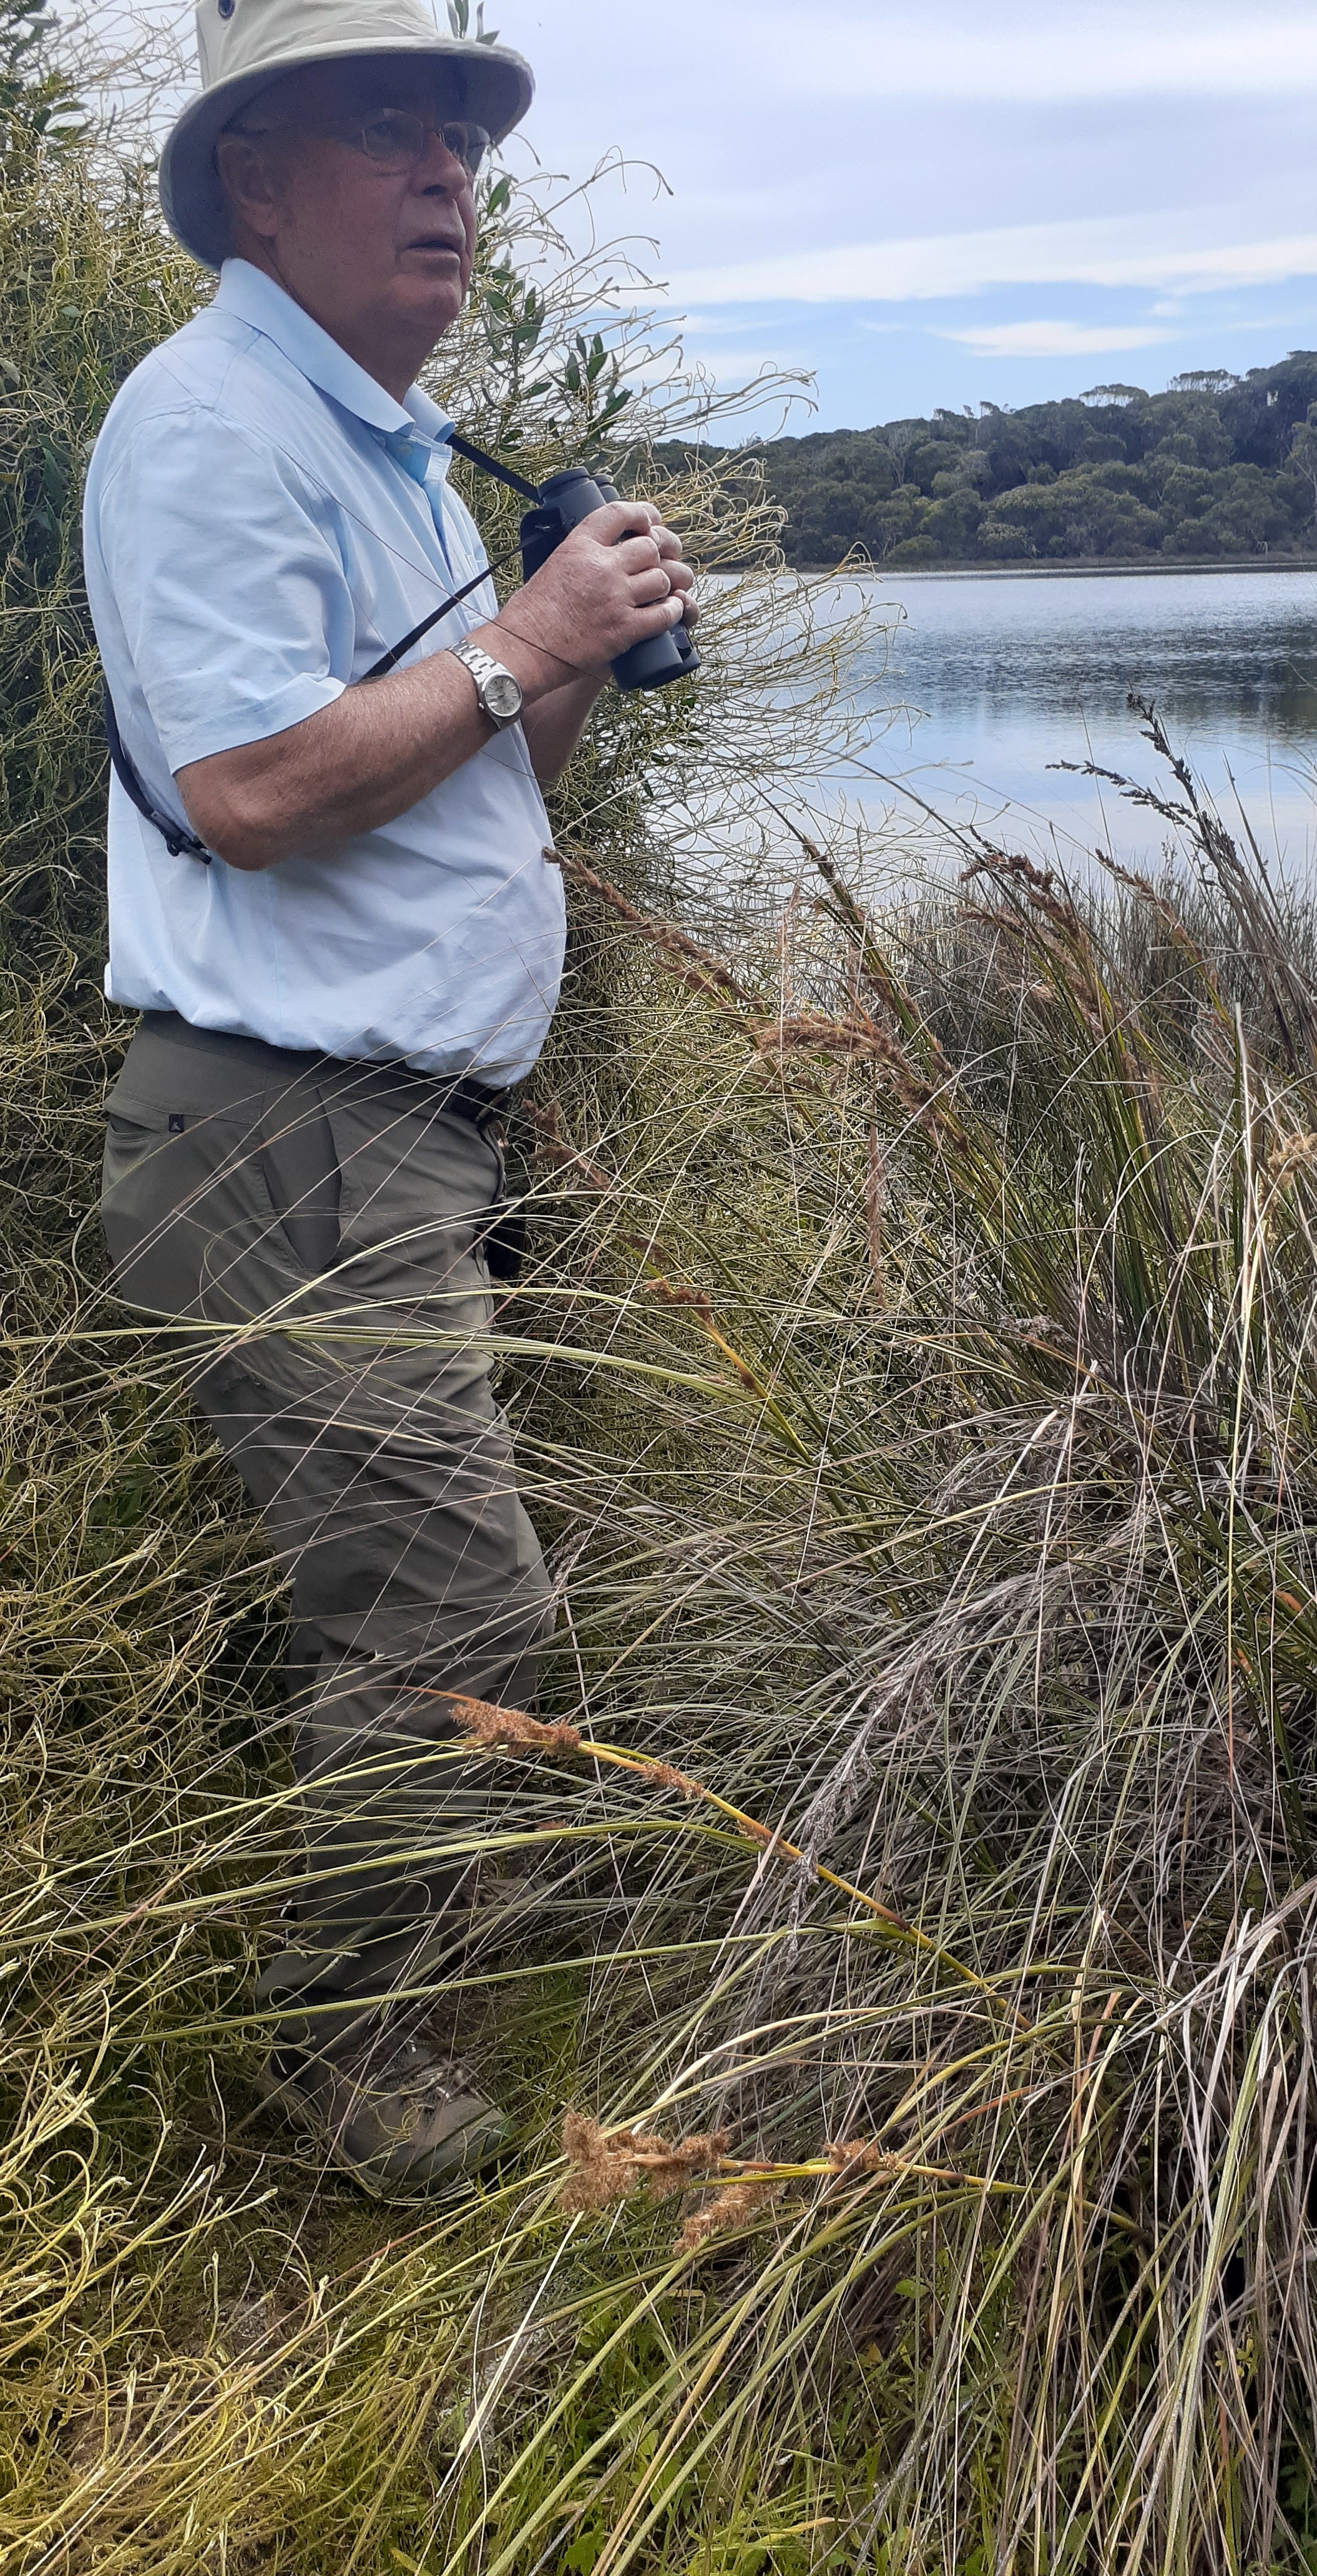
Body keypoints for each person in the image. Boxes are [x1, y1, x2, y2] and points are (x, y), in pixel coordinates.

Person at [82, 0, 695, 2195]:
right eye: (391, 132)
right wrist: (526, 638)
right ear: (258, 179)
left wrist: (571, 661)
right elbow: (247, 793)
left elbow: (455, 793)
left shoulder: (382, 446)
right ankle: (363, 2087)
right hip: (291, 1133)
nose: (449, 177)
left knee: (409, 1596)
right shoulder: (209, 426)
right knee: (450, 1611)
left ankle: (412, 1981)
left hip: (386, 1139)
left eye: (460, 136)